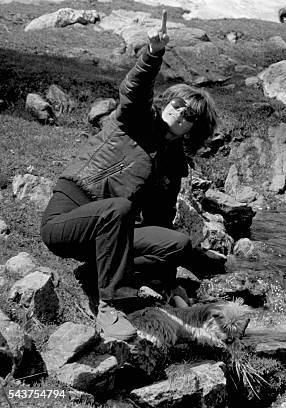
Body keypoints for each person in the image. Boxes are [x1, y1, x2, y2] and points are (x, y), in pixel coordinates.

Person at [40, 10, 220, 342]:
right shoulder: (135, 120)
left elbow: (160, 221)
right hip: (68, 217)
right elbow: (134, 88)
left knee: (178, 243)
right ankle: (113, 304)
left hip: (110, 231)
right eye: (178, 102)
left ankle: (104, 267)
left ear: (192, 129)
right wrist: (153, 54)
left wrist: (171, 282)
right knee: (119, 208)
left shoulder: (172, 162)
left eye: (189, 113)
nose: (179, 110)